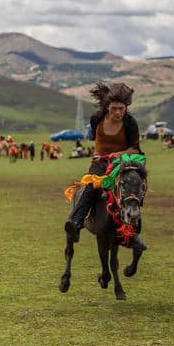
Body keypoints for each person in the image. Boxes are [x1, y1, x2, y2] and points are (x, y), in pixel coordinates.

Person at [64, 82, 142, 243]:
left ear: (126, 107)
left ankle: (134, 224)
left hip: (122, 163)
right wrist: (100, 155)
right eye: (114, 108)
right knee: (90, 187)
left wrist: (118, 154)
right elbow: (95, 139)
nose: (118, 112)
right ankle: (76, 222)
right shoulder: (96, 118)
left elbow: (135, 149)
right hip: (99, 163)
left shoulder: (130, 123)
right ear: (108, 106)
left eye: (121, 108)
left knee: (134, 184)